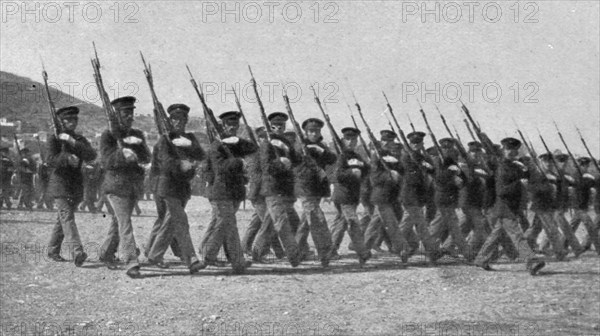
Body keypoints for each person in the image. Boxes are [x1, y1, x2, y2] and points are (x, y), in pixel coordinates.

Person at [145, 104, 205, 273]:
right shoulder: (164, 139)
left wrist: (189, 145)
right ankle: (191, 259)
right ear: (170, 121)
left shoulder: (190, 137)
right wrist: (182, 163)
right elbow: (165, 162)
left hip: (182, 188)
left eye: (182, 119)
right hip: (166, 186)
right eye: (175, 119)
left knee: (166, 221)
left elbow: (201, 155)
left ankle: (152, 253)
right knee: (180, 221)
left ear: (186, 121)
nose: (178, 122)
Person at [474, 137, 546, 275]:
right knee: (516, 234)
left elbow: (525, 177)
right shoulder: (502, 167)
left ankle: (481, 259)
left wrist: (528, 169)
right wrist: (520, 184)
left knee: (496, 234)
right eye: (508, 149)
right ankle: (531, 261)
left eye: (514, 150)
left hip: (511, 206)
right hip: (504, 207)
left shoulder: (514, 165)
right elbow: (501, 191)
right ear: (503, 150)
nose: (512, 152)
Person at [98, 96, 151, 278]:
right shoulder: (108, 135)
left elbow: (146, 158)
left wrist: (139, 147)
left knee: (118, 222)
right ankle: (131, 261)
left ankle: (105, 253)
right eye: (125, 112)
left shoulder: (136, 135)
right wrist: (122, 153)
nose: (129, 116)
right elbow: (105, 161)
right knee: (125, 224)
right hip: (115, 186)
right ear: (117, 115)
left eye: (131, 112)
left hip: (132, 187)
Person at [199, 111, 257, 273]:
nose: (233, 128)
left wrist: (237, 140)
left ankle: (235, 261)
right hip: (220, 191)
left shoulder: (235, 143)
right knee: (226, 224)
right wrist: (239, 161)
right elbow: (221, 169)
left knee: (225, 224)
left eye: (236, 126)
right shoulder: (216, 146)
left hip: (234, 192)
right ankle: (209, 256)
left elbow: (253, 148)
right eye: (229, 125)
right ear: (223, 126)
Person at [46, 105, 97, 266]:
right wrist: (66, 157)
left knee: (62, 219)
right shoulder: (54, 138)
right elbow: (50, 160)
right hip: (60, 184)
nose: (72, 122)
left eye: (74, 119)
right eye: (68, 120)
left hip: (75, 185)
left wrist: (72, 142)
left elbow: (91, 155)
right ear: (61, 121)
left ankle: (52, 250)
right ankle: (77, 252)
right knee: (67, 218)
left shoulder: (79, 139)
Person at [294, 118, 337, 267]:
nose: (314, 133)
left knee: (306, 222)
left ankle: (296, 251)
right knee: (317, 218)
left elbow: (333, 159)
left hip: (318, 189)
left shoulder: (321, 145)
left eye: (316, 131)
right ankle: (324, 253)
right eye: (311, 131)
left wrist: (322, 151)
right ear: (306, 132)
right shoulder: (300, 146)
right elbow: (296, 165)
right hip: (306, 188)